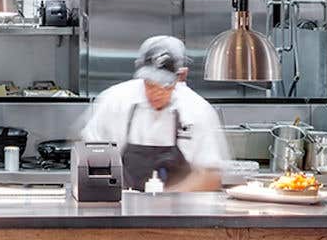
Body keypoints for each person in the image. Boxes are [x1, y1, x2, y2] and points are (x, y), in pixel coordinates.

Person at [80, 36, 227, 192]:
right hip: (125, 208)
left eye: (164, 85)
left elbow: (211, 177)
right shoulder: (115, 102)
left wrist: (166, 200)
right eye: (150, 83)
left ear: (180, 76)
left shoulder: (197, 111)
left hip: (182, 211)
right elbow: (90, 158)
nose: (156, 93)